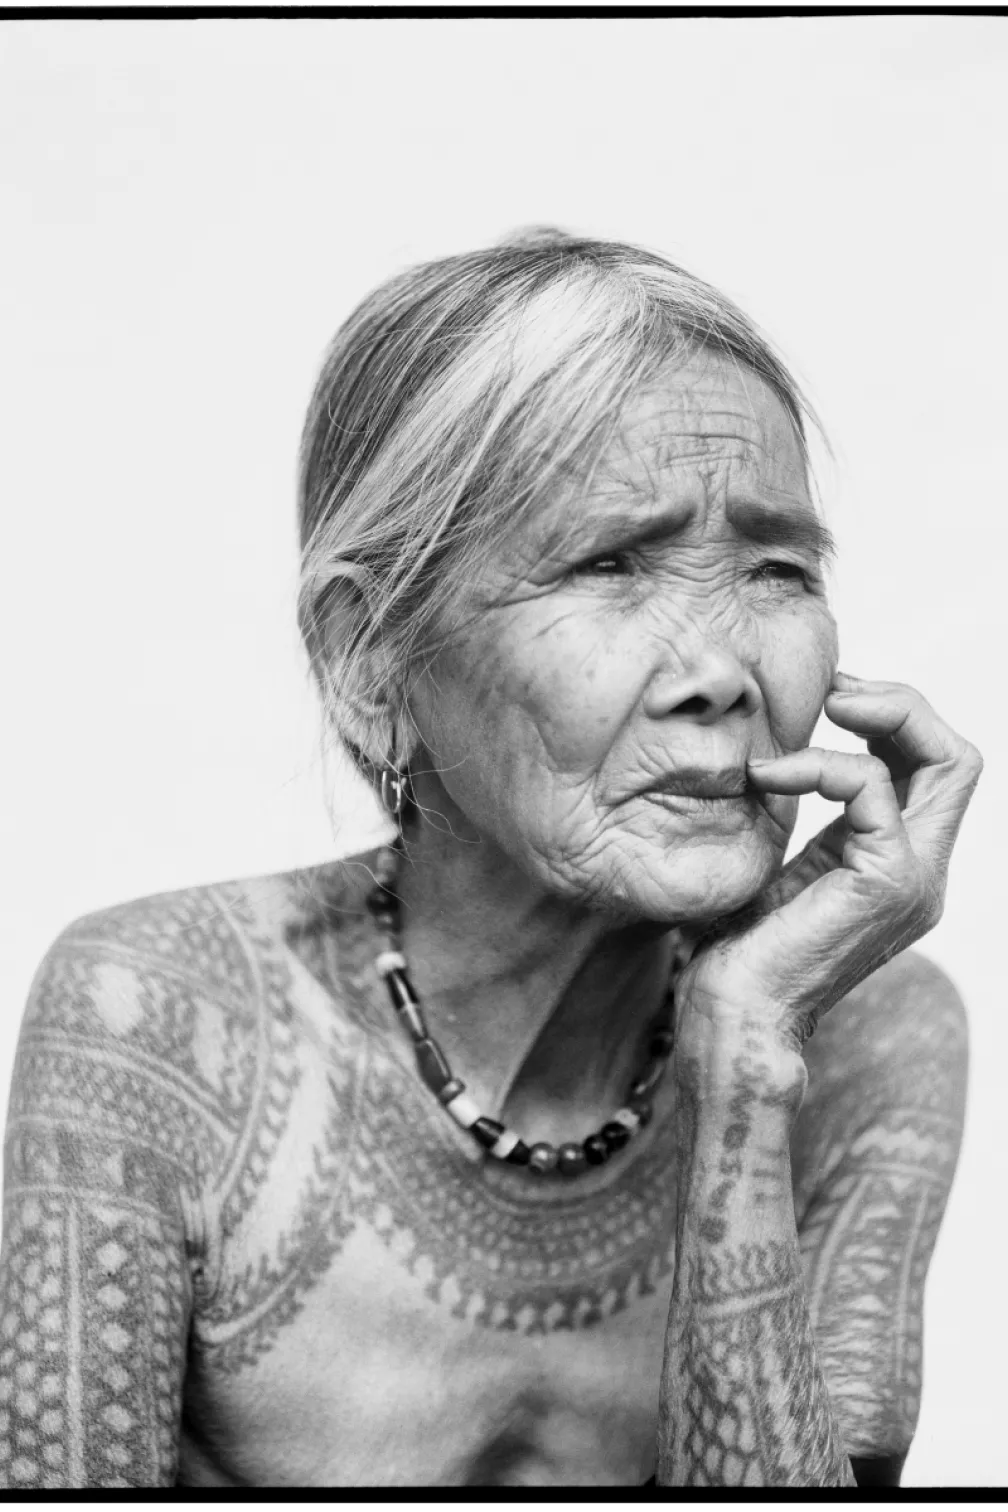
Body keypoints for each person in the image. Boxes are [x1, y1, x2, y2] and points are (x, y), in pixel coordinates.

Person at [0, 232, 982, 1489]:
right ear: (368, 660)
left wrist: (746, 1063)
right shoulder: (161, 1019)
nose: (722, 674)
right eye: (609, 565)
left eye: (776, 569)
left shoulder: (864, 1034)